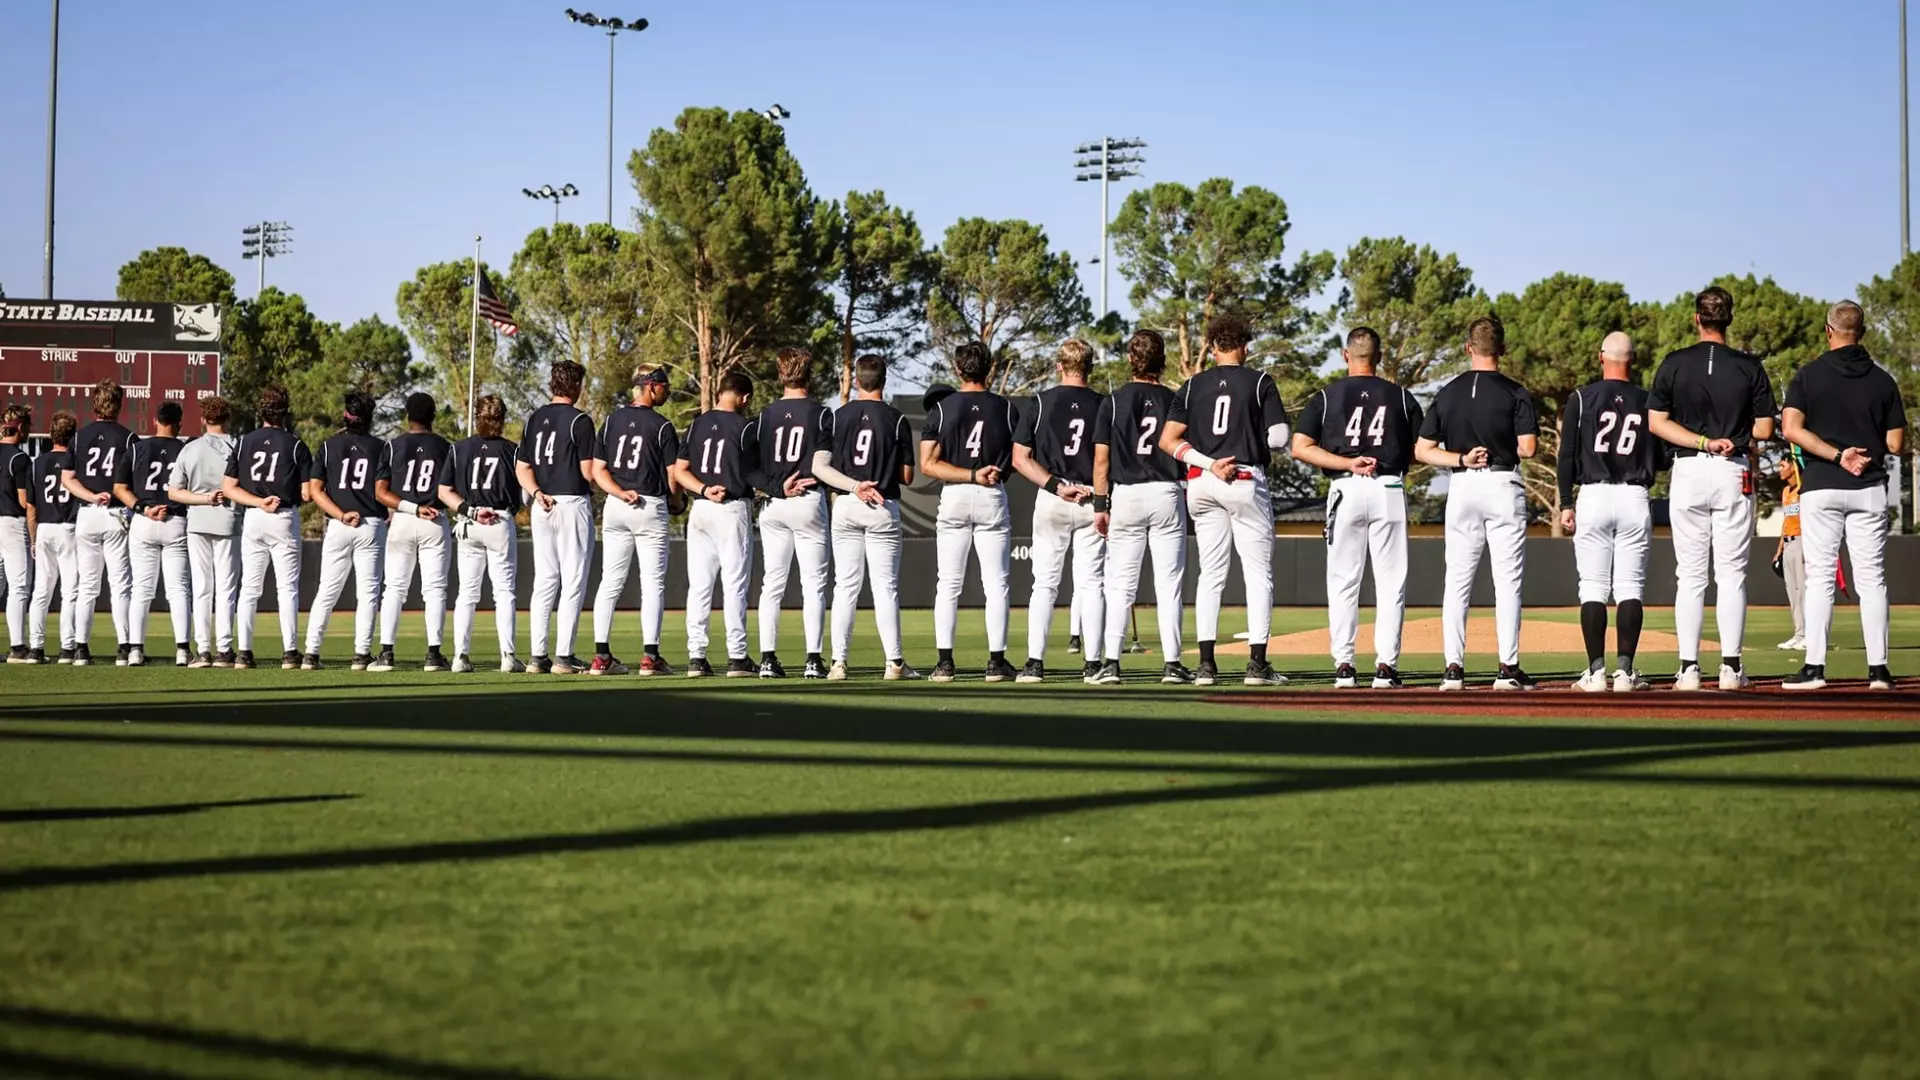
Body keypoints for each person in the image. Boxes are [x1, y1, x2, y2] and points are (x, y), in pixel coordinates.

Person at [1647, 286, 1775, 691]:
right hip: (1732, 468)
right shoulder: (1749, 366)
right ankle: (1731, 668)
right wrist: (1729, 435)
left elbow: (1656, 422)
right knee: (1732, 574)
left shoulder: (1674, 363)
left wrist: (1700, 441)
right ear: (1729, 319)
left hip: (1688, 469)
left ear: (1696, 319)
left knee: (1690, 576)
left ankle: (1688, 668)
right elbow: (1766, 429)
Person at [1158, 312, 1291, 688]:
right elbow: (1280, 437)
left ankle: (1205, 666)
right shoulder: (1260, 380)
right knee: (1257, 575)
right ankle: (1257, 665)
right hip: (1245, 478)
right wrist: (1248, 443)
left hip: (1202, 481)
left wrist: (1209, 462)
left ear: (1212, 347)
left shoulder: (1190, 385)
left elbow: (1168, 441)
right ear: (1245, 347)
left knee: (1210, 576)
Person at [1782, 301, 1906, 691]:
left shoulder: (1808, 376)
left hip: (1822, 486)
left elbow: (1790, 428)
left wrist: (1837, 454)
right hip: (1868, 487)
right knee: (1872, 580)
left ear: (1828, 330)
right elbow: (1896, 443)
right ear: (1863, 333)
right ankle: (1879, 671)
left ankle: (1815, 669)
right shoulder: (1883, 381)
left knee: (1819, 578)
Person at [1291, 326, 1423, 690]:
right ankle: (1385, 667)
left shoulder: (1325, 396)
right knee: (1390, 582)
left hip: (1345, 486)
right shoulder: (1400, 396)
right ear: (1378, 357)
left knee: (1343, 581)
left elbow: (1300, 446)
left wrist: (1347, 463)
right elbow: (1420, 449)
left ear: (1345, 355)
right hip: (1388, 485)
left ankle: (1345, 666)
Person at [1414, 315, 1539, 691]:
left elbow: (1422, 450)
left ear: (1469, 348)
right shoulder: (1515, 392)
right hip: (1503, 483)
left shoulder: (1449, 392)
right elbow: (1528, 448)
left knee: (1457, 581)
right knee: (1508, 581)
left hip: (1463, 484)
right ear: (1502, 350)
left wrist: (1461, 458)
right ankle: (1508, 668)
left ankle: (1453, 668)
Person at [1090, 329, 1193, 686]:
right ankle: (1172, 665)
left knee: (1119, 586)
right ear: (1161, 360)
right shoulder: (1175, 398)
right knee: (1169, 586)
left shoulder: (1113, 401)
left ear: (1131, 359)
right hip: (1166, 491)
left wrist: (1099, 506)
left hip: (1127, 495)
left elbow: (1101, 461)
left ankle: (1111, 664)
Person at [1557, 331, 1658, 693]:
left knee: (1593, 587)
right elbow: (1660, 458)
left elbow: (1566, 455)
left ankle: (1596, 672)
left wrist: (1566, 503)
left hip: (1594, 495)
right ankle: (1626, 673)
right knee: (1631, 587)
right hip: (1634, 495)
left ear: (1602, 357)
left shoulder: (1582, 398)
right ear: (1633, 360)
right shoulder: (1648, 400)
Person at [921, 341, 1019, 684]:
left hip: (956, 494)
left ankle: (944, 664)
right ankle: (996, 663)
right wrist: (987, 473)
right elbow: (1015, 460)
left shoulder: (942, 409)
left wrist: (968, 474)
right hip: (991, 492)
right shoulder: (1006, 408)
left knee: (948, 583)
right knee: (996, 584)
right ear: (989, 368)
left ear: (958, 369)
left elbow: (928, 465)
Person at [819, 353, 919, 681]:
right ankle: (895, 664)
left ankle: (838, 663)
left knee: (845, 586)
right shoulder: (897, 419)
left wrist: (854, 485)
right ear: (884, 380)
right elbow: (906, 476)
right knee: (885, 588)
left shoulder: (836, 416)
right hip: (882, 504)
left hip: (847, 503)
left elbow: (821, 467)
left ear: (857, 380)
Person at [1012, 339, 1105, 684]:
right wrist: (1100, 496)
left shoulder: (1040, 402)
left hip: (1054, 495)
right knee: (1092, 583)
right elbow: (1107, 458)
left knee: (1044, 585)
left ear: (1059, 366)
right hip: (1091, 494)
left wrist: (1054, 486)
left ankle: (1034, 664)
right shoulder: (1103, 404)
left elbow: (1019, 458)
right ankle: (1094, 664)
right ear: (1090, 367)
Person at [590, 366, 679, 676]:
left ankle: (601, 656)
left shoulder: (612, 421)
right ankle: (650, 657)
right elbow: (672, 476)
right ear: (650, 387)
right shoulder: (663, 425)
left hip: (617, 505)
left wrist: (619, 492)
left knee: (609, 582)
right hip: (649, 504)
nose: (667, 391)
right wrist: (678, 501)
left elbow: (597, 472)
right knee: (652, 583)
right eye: (664, 386)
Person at [752, 347, 834, 680]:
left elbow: (750, 467)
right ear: (809, 374)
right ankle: (813, 660)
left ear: (780, 373)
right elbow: (830, 463)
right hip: (808, 500)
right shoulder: (822, 413)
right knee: (813, 585)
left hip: (774, 503)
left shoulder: (764, 415)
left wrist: (776, 487)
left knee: (772, 584)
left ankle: (768, 660)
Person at [673, 370, 761, 678]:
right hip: (731, 509)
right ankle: (737, 657)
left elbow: (680, 472)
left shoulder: (697, 423)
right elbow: (753, 473)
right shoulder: (746, 426)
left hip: (701, 508)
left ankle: (696, 657)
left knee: (699, 586)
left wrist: (702, 489)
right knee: (734, 584)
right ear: (744, 397)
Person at [221, 384, 312, 669]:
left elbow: (228, 488)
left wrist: (259, 502)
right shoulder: (295, 444)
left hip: (255, 517)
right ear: (285, 412)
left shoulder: (244, 441)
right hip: (283, 516)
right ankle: (290, 653)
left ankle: (244, 653)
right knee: (287, 589)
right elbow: (308, 493)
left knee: (249, 587)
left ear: (260, 412)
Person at [515, 361, 597, 675]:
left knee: (545, 580)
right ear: (575, 386)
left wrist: (536, 492)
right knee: (573, 579)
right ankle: (564, 655)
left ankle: (538, 656)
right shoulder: (580, 420)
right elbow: (588, 472)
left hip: (542, 504)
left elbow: (522, 468)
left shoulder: (534, 418)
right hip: (571, 502)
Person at [301, 390, 388, 671]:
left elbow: (315, 490)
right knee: (368, 594)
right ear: (369, 418)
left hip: (339, 524)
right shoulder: (380, 447)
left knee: (327, 591)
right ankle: (361, 656)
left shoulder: (328, 446)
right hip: (370, 524)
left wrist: (339, 513)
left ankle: (310, 654)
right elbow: (384, 491)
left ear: (345, 416)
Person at [440, 393, 524, 674]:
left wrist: (470, 510)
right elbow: (521, 493)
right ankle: (508, 656)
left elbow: (444, 492)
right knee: (504, 592)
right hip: (499, 519)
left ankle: (460, 657)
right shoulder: (512, 450)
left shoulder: (458, 448)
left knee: (467, 593)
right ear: (501, 419)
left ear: (477, 417)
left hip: (470, 519)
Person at [371, 392, 452, 673]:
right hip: (434, 519)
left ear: (408, 416)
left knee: (394, 588)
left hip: (404, 519)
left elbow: (380, 493)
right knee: (435, 590)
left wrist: (411, 508)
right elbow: (452, 490)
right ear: (433, 416)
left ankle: (386, 654)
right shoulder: (445, 447)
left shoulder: (394, 446)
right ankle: (433, 655)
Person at [61, 379, 139, 666]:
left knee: (88, 586)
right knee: (120, 584)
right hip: (117, 513)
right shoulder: (129, 438)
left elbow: (67, 479)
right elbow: (135, 481)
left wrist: (92, 496)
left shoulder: (79, 437)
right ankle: (124, 648)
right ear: (118, 404)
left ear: (94, 403)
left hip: (87, 513)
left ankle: (81, 648)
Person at [114, 400, 192, 667]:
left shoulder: (137, 448)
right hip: (175, 519)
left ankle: (135, 650)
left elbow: (119, 488)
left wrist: (143, 508)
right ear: (179, 423)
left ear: (155, 421)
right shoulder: (186, 449)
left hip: (144, 520)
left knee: (141, 590)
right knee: (178, 589)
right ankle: (182, 650)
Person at [167, 396, 242, 667]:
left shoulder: (191, 448)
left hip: (198, 522)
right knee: (226, 588)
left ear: (203, 419)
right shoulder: (237, 446)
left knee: (202, 588)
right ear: (227, 417)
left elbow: (174, 491)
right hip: (229, 522)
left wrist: (203, 498)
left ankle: (204, 651)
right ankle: (224, 650)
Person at [28, 412, 79, 663]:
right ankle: (68, 648)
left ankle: (36, 648)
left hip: (45, 527)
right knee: (70, 591)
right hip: (68, 527)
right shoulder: (76, 461)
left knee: (41, 591)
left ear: (51, 434)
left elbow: (31, 506)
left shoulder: (37, 462)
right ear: (73, 436)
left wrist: (33, 536)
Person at [1, 405, 34, 662]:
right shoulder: (19, 458)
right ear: (21, 427)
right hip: (12, 523)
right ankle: (18, 647)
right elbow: (24, 501)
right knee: (19, 586)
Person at [1774, 451, 1806, 650]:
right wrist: (1779, 549)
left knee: (1804, 591)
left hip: (1803, 542)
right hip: (1788, 543)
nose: (1779, 469)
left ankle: (1810, 635)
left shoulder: (1804, 490)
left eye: (1782, 465)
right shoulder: (1786, 492)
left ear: (1793, 466)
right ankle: (1799, 633)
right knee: (1793, 591)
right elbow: (1785, 522)